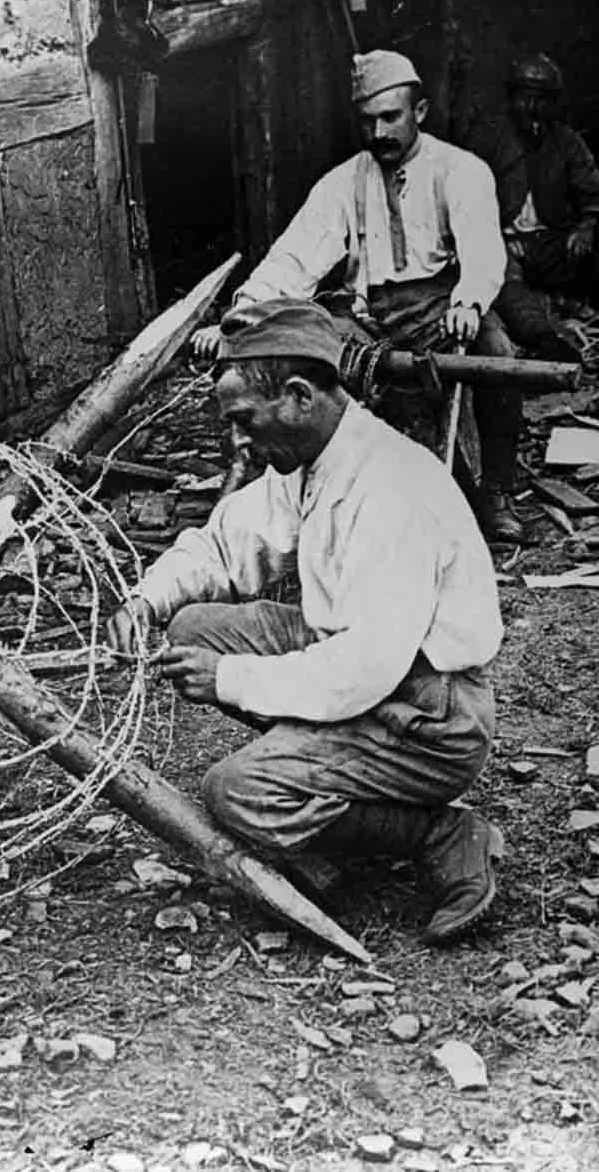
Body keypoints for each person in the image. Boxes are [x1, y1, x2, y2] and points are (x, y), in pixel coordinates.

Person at [111, 299, 506, 945]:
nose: (236, 440)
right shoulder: (311, 455)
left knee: (235, 792)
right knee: (191, 629)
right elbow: (225, 542)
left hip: (430, 714)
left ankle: (441, 831)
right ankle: (321, 797)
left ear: (298, 396)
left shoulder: (388, 491)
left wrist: (231, 678)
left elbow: (363, 669)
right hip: (360, 664)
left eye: (243, 420)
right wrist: (145, 600)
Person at [192, 49, 524, 543]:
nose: (379, 133)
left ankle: (496, 489)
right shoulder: (343, 182)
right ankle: (337, 502)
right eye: (367, 122)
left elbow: (482, 251)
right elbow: (295, 258)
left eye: (391, 118)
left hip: (444, 310)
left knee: (497, 356)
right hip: (371, 318)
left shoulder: (461, 170)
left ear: (421, 112)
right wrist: (241, 316)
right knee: (313, 366)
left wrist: (469, 303)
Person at [461, 52, 599, 363]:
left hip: (552, 243)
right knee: (499, 273)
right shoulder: (487, 138)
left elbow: (598, 193)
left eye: (541, 100)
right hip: (502, 244)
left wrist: (587, 225)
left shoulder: (566, 142)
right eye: (524, 98)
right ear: (511, 99)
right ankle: (546, 339)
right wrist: (498, 239)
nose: (532, 109)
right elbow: (463, 198)